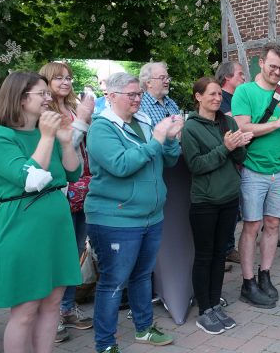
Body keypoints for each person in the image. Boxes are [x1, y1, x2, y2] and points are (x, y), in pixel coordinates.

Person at [0, 71, 82, 353]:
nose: (49, 98)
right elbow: (31, 179)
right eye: (43, 94)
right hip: (22, 227)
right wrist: (48, 137)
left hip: (56, 225)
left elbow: (73, 173)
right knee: (26, 309)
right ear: (21, 97)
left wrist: (63, 141)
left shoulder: (43, 133)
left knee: (52, 304)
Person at [85, 72, 182, 352]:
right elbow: (121, 165)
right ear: (111, 96)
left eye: (139, 93)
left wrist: (171, 139)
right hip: (115, 218)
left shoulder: (143, 121)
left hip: (151, 216)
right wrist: (157, 140)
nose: (138, 99)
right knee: (113, 282)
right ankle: (104, 343)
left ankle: (144, 328)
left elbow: (170, 160)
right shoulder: (102, 128)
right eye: (131, 94)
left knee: (142, 276)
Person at [232, 42, 280, 308]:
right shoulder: (245, 91)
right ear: (261, 63)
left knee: (273, 225)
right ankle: (247, 281)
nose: (277, 72)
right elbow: (242, 128)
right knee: (251, 225)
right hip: (253, 169)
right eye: (272, 66)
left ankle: (265, 274)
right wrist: (277, 121)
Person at [181, 77, 252, 334]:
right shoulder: (190, 128)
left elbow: (240, 158)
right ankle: (204, 310)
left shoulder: (228, 121)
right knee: (204, 255)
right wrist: (225, 148)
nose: (216, 98)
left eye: (219, 95)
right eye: (211, 94)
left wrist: (241, 145)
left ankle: (214, 302)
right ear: (198, 97)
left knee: (220, 255)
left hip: (229, 198)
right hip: (205, 202)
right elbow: (196, 166)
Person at [38, 61, 96, 342]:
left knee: (75, 251)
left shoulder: (72, 108)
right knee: (56, 253)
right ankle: (50, 314)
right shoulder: (44, 113)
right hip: (61, 190)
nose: (65, 82)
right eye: (59, 78)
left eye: (69, 78)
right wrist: (83, 119)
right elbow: (65, 149)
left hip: (83, 188)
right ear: (46, 81)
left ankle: (66, 307)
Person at [215, 60, 247, 267]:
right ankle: (223, 250)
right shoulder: (222, 98)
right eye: (240, 74)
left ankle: (228, 248)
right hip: (224, 158)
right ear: (227, 77)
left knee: (234, 208)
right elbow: (236, 124)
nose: (244, 77)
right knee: (226, 207)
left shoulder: (237, 97)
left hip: (237, 156)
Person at [139, 62, 179, 126]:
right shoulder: (139, 106)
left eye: (168, 78)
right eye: (162, 78)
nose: (167, 81)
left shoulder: (172, 103)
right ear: (149, 83)